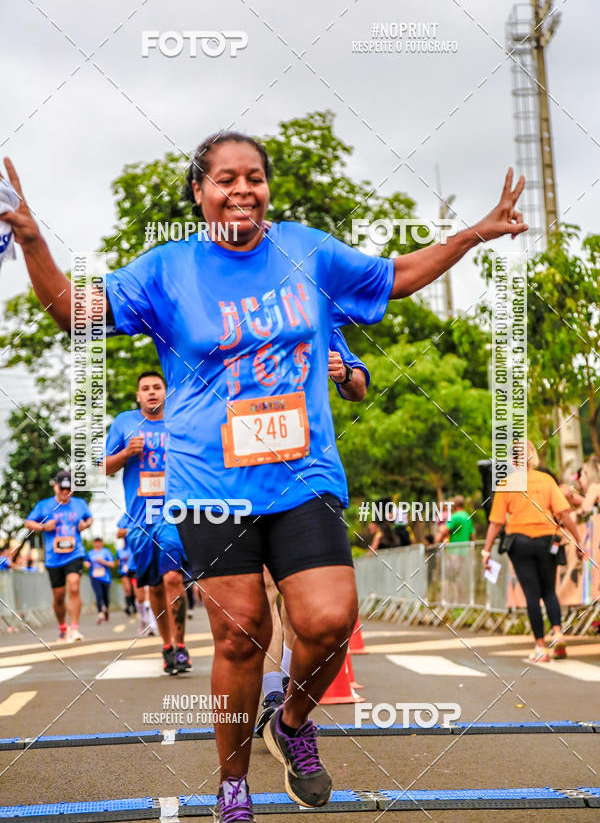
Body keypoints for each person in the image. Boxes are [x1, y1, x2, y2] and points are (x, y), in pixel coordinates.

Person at [2, 137, 526, 822]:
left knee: (330, 619)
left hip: (303, 474)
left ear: (268, 188)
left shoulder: (308, 251)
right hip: (209, 484)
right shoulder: (167, 269)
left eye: (254, 177)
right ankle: (233, 785)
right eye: (225, 179)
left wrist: (474, 234)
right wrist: (33, 240)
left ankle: (292, 721)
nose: (241, 190)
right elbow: (77, 312)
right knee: (241, 633)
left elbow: (394, 275)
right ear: (199, 192)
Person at [256, 329, 369, 737]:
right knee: (265, 590)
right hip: (245, 476)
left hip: (307, 475)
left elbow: (358, 388)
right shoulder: (225, 312)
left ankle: (287, 686)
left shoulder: (313, 314)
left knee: (300, 601)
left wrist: (344, 374)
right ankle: (273, 694)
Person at [103, 372, 191, 674]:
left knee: (173, 578)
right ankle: (167, 645)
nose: (152, 392)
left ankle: (181, 646)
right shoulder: (124, 422)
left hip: (173, 514)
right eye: (145, 388)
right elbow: (101, 467)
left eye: (157, 387)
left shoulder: (180, 419)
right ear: (138, 395)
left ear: (166, 392)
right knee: (154, 585)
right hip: (140, 519)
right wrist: (127, 452)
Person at [483, 441, 584, 663]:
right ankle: (558, 634)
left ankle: (540, 647)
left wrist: (486, 550)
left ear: (512, 460)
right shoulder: (546, 480)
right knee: (549, 591)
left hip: (519, 543)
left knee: (532, 594)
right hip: (547, 540)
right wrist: (578, 540)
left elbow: (496, 522)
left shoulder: (506, 484)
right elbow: (564, 514)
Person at [24, 470, 93, 642]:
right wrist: (42, 527)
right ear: (55, 487)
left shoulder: (80, 504)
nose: (65, 492)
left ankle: (75, 628)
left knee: (74, 586)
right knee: (59, 595)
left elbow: (90, 518)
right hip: (53, 557)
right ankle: (63, 627)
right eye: (62, 488)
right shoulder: (44, 505)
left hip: (75, 553)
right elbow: (28, 522)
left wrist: (85, 524)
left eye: (69, 489)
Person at [84, 536, 115, 624]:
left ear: (102, 543)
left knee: (106, 597)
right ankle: (100, 613)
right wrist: (87, 564)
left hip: (105, 578)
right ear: (93, 543)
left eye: (99, 542)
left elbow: (112, 564)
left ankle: (106, 611)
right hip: (95, 577)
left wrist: (103, 561)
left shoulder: (106, 551)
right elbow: (86, 562)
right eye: (95, 542)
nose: (97, 544)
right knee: (98, 594)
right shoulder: (90, 553)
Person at [116, 538, 136, 615]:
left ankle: (134, 605)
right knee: (127, 589)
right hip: (123, 572)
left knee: (134, 589)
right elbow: (117, 561)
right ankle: (128, 606)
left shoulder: (133, 549)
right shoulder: (119, 551)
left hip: (133, 571)